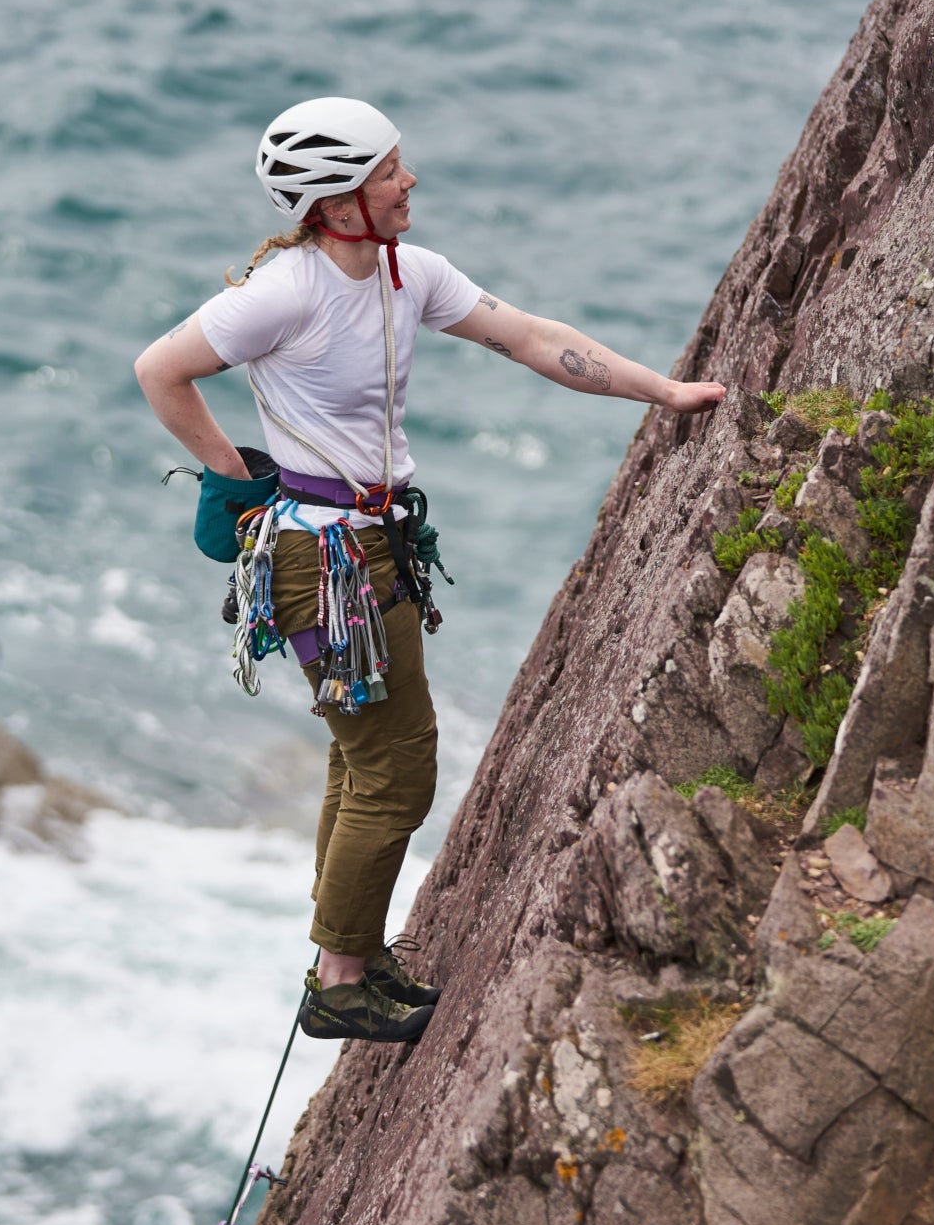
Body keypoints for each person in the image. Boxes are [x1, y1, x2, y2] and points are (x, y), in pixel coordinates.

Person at [133, 97, 724, 1043]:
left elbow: (528, 337)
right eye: (388, 173)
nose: (410, 183)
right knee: (397, 770)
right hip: (320, 557)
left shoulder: (409, 274)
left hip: (374, 543)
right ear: (336, 200)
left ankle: (350, 956)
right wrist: (234, 472)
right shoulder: (285, 291)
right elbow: (160, 368)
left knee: (361, 753)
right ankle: (338, 983)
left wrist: (662, 392)